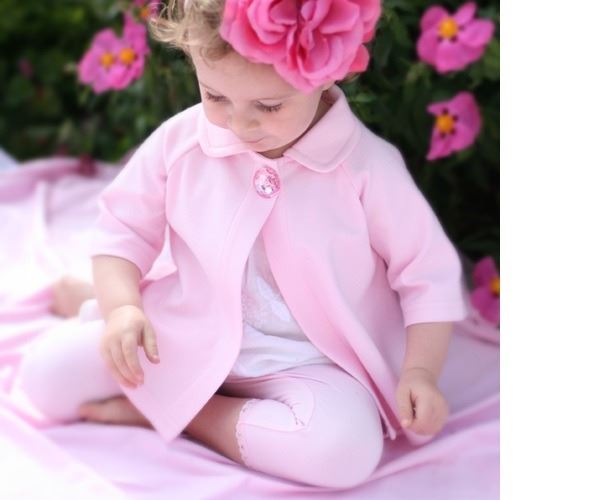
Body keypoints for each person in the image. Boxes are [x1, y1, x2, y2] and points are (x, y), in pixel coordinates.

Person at [14, 0, 468, 489]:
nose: (239, 124)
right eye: (215, 96)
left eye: (269, 106)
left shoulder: (367, 168)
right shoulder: (184, 142)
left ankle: (191, 414)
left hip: (309, 364)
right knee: (46, 379)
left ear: (325, 75)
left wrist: (420, 371)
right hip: (183, 334)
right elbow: (123, 229)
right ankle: (101, 303)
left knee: (343, 452)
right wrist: (123, 308)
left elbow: (427, 274)